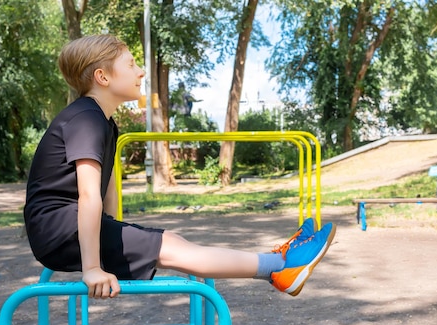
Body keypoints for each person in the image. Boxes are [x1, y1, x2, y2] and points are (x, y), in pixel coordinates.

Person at [24, 34, 336, 300]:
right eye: (131, 64)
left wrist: (116, 239)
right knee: (171, 248)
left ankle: (279, 259)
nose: (141, 72)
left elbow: (107, 193)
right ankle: (280, 268)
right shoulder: (85, 119)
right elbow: (89, 195)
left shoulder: (103, 121)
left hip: (66, 226)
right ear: (103, 77)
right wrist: (93, 267)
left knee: (173, 241)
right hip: (58, 229)